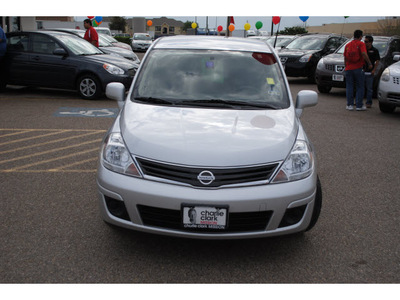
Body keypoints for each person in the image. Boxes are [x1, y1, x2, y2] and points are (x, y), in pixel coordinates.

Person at [344, 30, 373, 111]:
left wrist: (345, 66)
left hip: (349, 68)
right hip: (358, 68)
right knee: (360, 86)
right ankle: (359, 105)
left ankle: (349, 105)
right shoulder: (361, 44)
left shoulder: (348, 45)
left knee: (349, 86)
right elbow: (364, 53)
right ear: (360, 36)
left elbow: (345, 57)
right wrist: (369, 63)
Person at [363, 35, 380, 108]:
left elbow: (377, 61)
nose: (365, 43)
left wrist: (374, 70)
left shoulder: (375, 50)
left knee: (369, 88)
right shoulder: (363, 50)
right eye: (364, 41)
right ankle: (359, 101)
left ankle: (369, 102)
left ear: (371, 42)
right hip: (362, 71)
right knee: (361, 87)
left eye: (366, 42)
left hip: (370, 72)